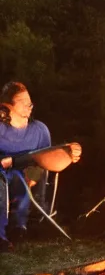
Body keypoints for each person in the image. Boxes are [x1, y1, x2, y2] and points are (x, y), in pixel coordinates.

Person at [0, 82, 81, 251]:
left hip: (28, 180)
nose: (30, 105)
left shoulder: (39, 130)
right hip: (2, 180)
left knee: (20, 177)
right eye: (23, 101)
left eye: (30, 101)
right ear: (8, 106)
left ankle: (19, 228)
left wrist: (68, 152)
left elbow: (45, 160)